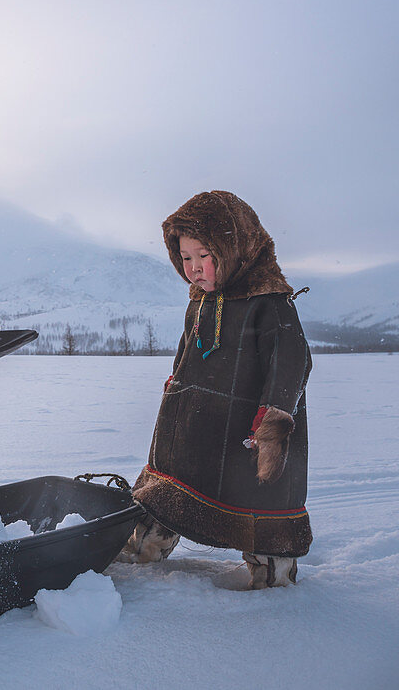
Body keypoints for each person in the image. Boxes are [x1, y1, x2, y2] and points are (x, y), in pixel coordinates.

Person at [120, 190, 311, 589]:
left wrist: (272, 418)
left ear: (234, 245)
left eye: (202, 256)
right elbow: (187, 351)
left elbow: (292, 362)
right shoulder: (202, 301)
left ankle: (272, 575)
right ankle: (144, 549)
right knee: (166, 493)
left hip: (246, 427)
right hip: (194, 423)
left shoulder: (271, 303)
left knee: (257, 508)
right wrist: (175, 388)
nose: (192, 269)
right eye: (184, 258)